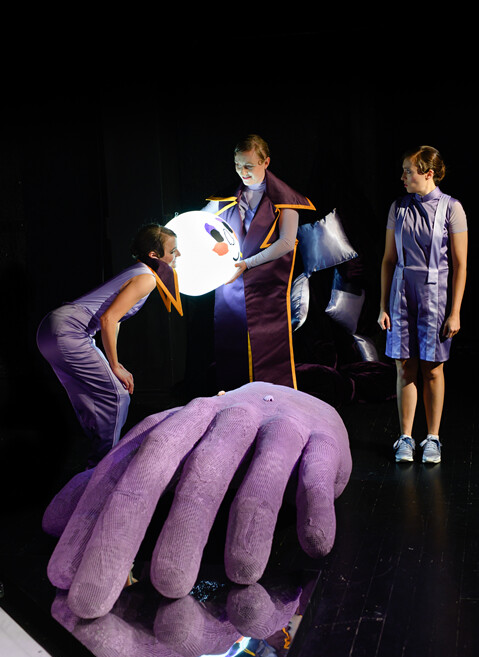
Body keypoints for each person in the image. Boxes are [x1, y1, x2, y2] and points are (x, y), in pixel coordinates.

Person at [37, 223, 182, 468]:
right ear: (154, 255)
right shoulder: (147, 278)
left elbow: (114, 320)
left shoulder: (138, 270)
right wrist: (114, 365)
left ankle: (93, 465)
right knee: (117, 396)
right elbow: (108, 319)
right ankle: (102, 467)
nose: (178, 254)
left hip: (49, 331)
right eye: (173, 250)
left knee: (87, 398)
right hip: (69, 331)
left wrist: (114, 362)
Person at [204, 134, 315, 391]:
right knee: (231, 349)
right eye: (237, 165)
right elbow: (201, 221)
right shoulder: (227, 197)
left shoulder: (286, 199)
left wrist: (247, 264)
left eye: (248, 166)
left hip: (267, 289)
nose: (242, 172)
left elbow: (286, 243)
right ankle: (234, 404)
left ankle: (271, 406)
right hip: (230, 287)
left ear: (266, 162)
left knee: (268, 356)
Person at [378, 146, 468, 463]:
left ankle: (433, 438)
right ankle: (405, 437)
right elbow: (388, 260)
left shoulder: (452, 208)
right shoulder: (399, 207)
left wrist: (455, 312)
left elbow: (460, 265)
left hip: (435, 295)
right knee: (404, 366)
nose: (403, 177)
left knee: (432, 368)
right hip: (402, 293)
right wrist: (383, 306)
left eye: (408, 171)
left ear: (428, 173)